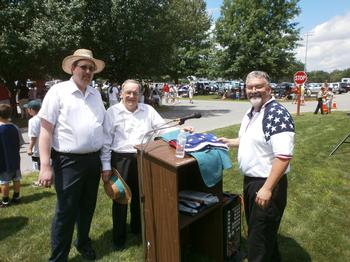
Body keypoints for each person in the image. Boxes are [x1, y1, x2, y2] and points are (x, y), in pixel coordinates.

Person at [100, 79, 192, 250]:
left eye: (135, 93)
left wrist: (181, 131)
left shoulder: (148, 110)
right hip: (121, 160)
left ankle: (137, 230)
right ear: (121, 93)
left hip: (143, 157)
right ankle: (118, 239)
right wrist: (105, 166)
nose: (131, 96)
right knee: (120, 198)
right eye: (128, 92)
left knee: (141, 196)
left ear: (140, 94)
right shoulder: (112, 112)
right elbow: (105, 142)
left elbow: (163, 129)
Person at [219, 71, 295, 262]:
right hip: (252, 183)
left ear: (268, 89)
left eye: (259, 86)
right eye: (250, 87)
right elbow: (250, 140)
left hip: (267, 184)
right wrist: (229, 141)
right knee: (262, 234)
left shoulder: (276, 114)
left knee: (258, 243)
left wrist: (267, 188)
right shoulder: (253, 111)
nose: (254, 90)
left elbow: (284, 156)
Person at [38, 48, 106, 261]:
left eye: (91, 68)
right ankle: (58, 257)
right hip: (68, 161)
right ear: (73, 68)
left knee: (88, 207)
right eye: (83, 67)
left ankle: (83, 242)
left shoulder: (95, 94)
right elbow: (45, 130)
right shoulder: (58, 92)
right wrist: (45, 165)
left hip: (93, 160)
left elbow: (102, 127)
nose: (87, 71)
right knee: (66, 211)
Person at [0, 104, 22, 207]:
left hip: (3, 161)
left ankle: (5, 201)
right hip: (15, 159)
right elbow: (20, 143)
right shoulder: (15, 127)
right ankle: (17, 197)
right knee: (16, 179)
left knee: (4, 181)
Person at [24, 100, 42, 185]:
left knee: (39, 165)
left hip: (38, 148)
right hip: (48, 147)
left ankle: (40, 181)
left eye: (28, 109)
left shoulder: (33, 120)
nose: (27, 111)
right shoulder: (45, 118)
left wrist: (30, 148)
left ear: (31, 109)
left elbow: (33, 136)